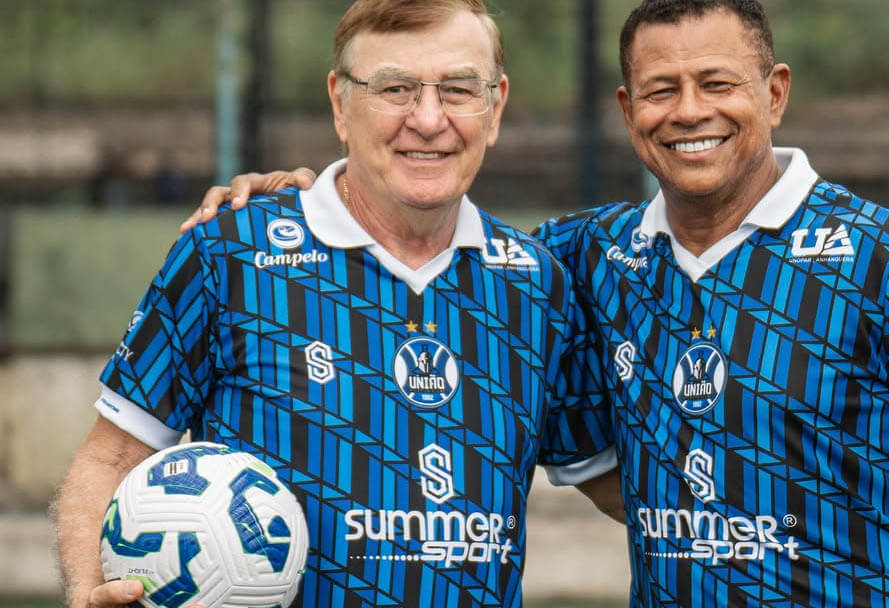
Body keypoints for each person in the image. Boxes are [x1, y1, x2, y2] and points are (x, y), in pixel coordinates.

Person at [192, 1, 889, 606]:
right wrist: (312, 198)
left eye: (717, 83)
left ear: (774, 93)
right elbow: (430, 240)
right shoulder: (583, 257)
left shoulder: (887, 251)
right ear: (627, 110)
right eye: (661, 90)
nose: (689, 111)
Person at [53, 2, 620, 607]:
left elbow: (628, 488)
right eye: (395, 89)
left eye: (458, 90)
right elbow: (113, 456)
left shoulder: (536, 283)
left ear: (496, 106)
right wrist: (87, 590)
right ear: (340, 104)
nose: (429, 119)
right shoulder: (231, 252)